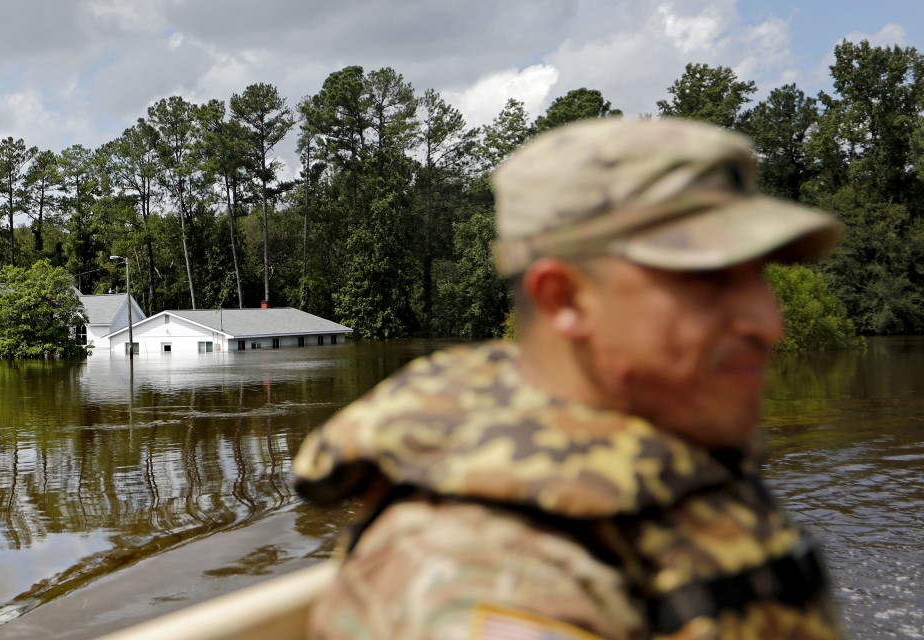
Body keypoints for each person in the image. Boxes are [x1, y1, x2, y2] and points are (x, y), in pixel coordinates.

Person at [293, 117, 846, 639]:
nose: (770, 324)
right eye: (709, 280)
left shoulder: (674, 454)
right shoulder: (493, 574)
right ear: (564, 299)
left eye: (758, 277)